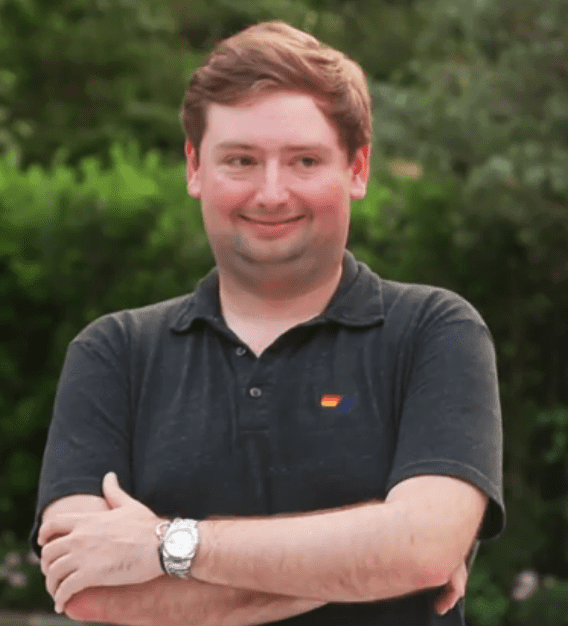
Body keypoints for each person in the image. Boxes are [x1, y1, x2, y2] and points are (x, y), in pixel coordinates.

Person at [30, 20, 504, 626]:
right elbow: (89, 594)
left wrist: (164, 545)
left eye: (304, 160)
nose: (272, 193)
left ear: (357, 169)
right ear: (195, 168)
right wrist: (376, 557)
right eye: (242, 161)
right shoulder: (114, 353)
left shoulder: (435, 331)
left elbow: (421, 549)